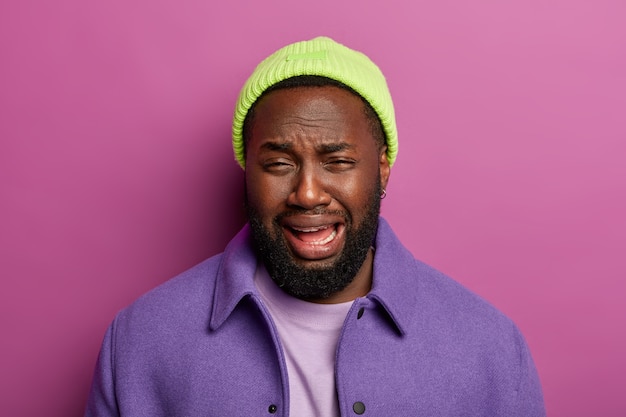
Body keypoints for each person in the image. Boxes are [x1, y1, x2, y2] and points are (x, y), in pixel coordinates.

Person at [85, 37, 545, 417]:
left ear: (382, 170)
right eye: (278, 163)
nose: (307, 193)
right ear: (247, 171)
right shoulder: (139, 342)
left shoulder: (491, 352)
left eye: (338, 161)